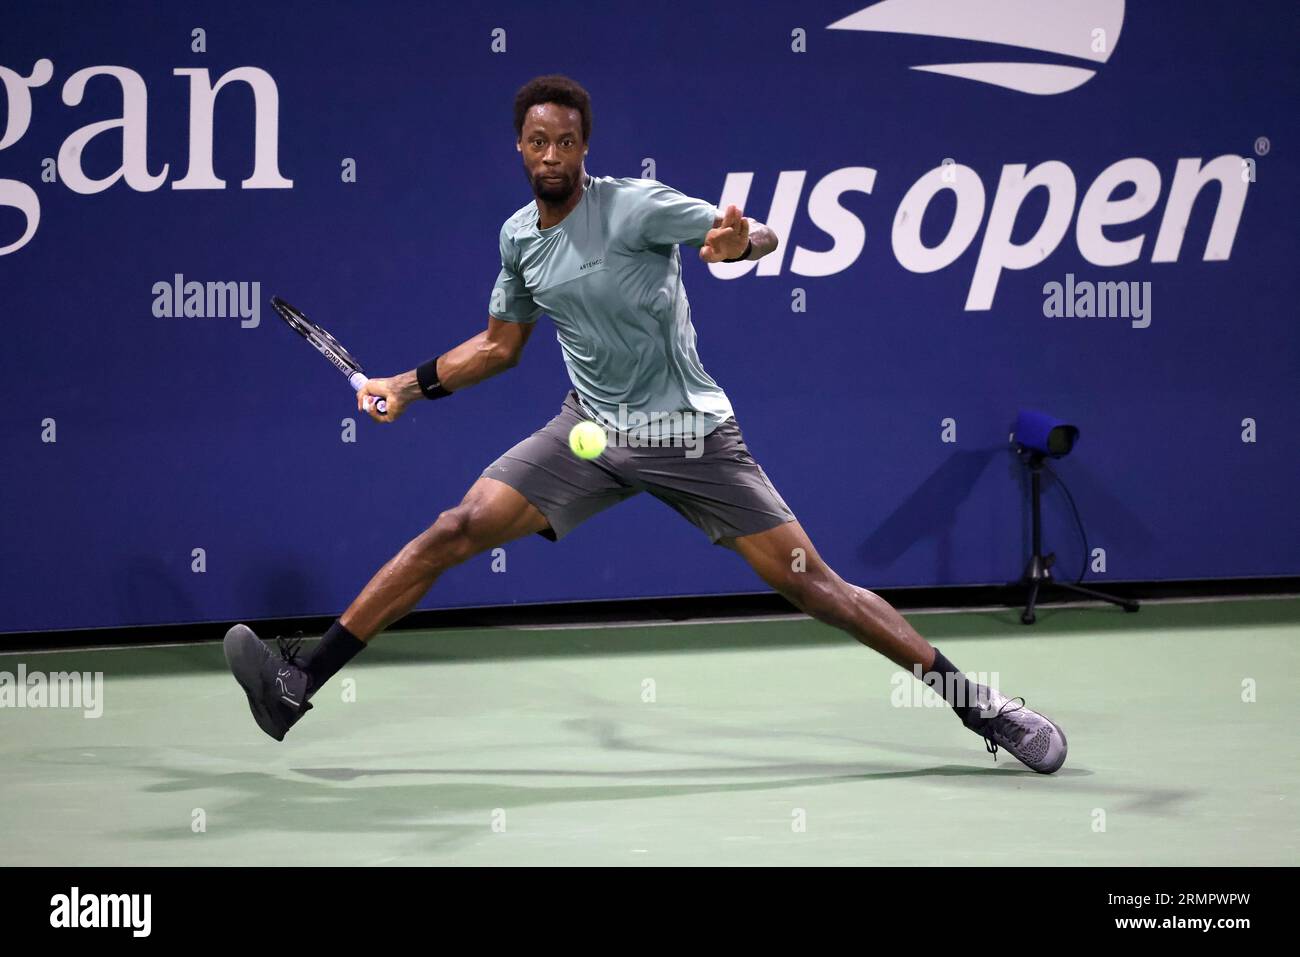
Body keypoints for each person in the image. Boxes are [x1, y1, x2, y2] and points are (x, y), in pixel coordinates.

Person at [225, 74, 1067, 774]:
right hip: (587, 433)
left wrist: (739, 244)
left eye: (565, 142)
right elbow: (497, 346)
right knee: (455, 528)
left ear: (584, 148)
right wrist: (406, 388)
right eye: (536, 142)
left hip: (690, 435)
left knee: (820, 587)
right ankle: (299, 683)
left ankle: (981, 708)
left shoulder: (635, 206)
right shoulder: (520, 238)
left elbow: (755, 236)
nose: (550, 155)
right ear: (519, 149)